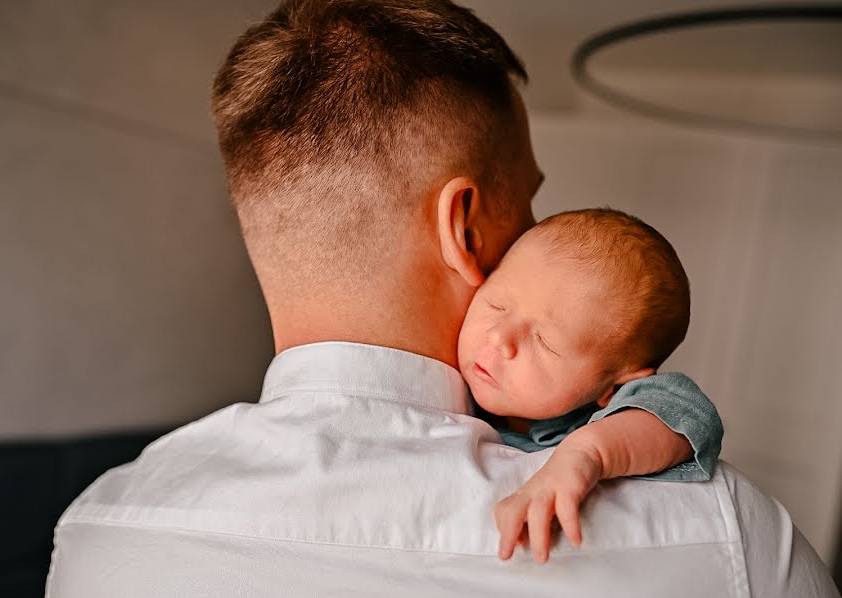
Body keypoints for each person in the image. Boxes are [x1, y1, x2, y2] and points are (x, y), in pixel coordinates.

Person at [45, 1, 838, 596]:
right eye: (528, 209)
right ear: (465, 228)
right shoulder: (729, 534)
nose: (536, 233)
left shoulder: (97, 537)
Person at [461, 208, 722, 562]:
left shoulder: (601, 423)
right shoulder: (447, 380)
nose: (499, 337)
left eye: (545, 341)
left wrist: (587, 453)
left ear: (611, 386)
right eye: (496, 303)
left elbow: (688, 415)